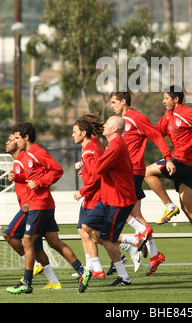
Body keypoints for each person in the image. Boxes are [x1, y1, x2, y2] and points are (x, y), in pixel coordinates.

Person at [6, 122, 89, 295]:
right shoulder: (28, 155)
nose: (15, 141)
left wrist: (38, 183)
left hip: (39, 204)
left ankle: (27, 282)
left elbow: (57, 170)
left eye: (17, 138)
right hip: (44, 204)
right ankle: (82, 271)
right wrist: (19, 177)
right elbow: (32, 176)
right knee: (54, 242)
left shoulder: (38, 152)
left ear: (26, 137)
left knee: (27, 241)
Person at [145, 85, 192, 265]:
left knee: (147, 172)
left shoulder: (187, 113)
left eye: (166, 98)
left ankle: (168, 206)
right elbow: (155, 133)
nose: (163, 101)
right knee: (188, 207)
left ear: (176, 99)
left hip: (182, 162)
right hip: (190, 167)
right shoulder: (168, 116)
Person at [110, 90, 175, 275]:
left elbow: (156, 136)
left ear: (124, 102)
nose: (112, 105)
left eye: (114, 102)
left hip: (132, 172)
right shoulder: (119, 123)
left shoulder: (136, 118)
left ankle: (139, 236)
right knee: (136, 214)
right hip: (125, 172)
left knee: (118, 208)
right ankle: (154, 254)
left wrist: (168, 158)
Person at [76, 116, 137, 287]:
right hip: (109, 198)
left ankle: (124, 276)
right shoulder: (111, 145)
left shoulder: (116, 145)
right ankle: (129, 244)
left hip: (119, 200)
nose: (104, 125)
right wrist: (86, 166)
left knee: (107, 239)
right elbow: (99, 169)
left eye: (108, 124)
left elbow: (98, 169)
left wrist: (86, 161)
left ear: (115, 129)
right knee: (86, 227)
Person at [3, 133, 61, 289]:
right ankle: (54, 282)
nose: (9, 142)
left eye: (13, 139)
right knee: (37, 246)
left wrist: (27, 200)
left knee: (9, 234)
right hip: (31, 205)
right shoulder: (18, 161)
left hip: (32, 206)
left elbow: (39, 177)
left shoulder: (24, 158)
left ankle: (34, 266)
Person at [72, 117, 105, 278]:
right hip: (91, 196)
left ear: (84, 132)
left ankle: (131, 244)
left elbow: (98, 175)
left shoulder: (91, 147)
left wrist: (83, 190)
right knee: (83, 230)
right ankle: (94, 268)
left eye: (74, 132)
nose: (72, 135)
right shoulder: (88, 147)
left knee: (91, 232)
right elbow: (94, 170)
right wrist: (83, 168)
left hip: (95, 195)